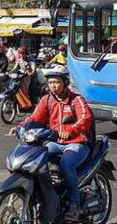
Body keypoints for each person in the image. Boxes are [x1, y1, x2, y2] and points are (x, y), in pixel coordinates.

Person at [11, 66, 94, 223]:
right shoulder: (47, 100)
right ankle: (47, 194)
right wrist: (19, 127)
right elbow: (34, 118)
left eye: (56, 82)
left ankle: (74, 206)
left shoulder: (76, 100)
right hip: (55, 142)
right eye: (50, 83)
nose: (53, 86)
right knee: (36, 158)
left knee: (66, 164)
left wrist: (71, 130)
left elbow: (86, 118)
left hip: (76, 143)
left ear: (65, 83)